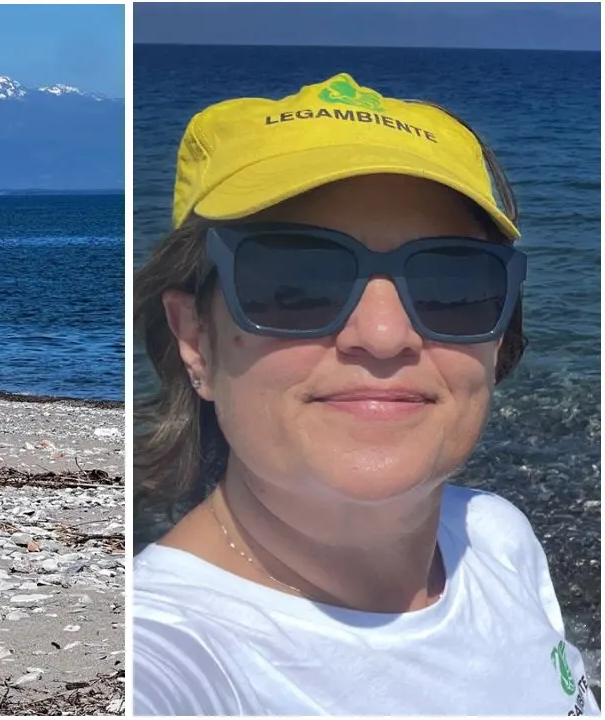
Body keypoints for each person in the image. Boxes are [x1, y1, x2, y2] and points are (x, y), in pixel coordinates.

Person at [132, 73, 598, 716]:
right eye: (295, 281)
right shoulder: (163, 657)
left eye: (450, 283)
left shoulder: (495, 538)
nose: (382, 336)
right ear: (195, 342)